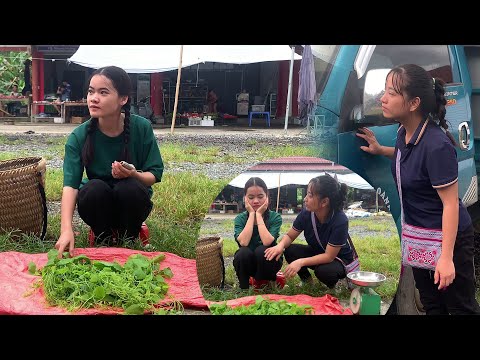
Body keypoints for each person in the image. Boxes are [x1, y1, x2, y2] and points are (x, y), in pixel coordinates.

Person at [356, 64, 480, 315]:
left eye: (391, 93)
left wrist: (446, 258)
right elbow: (409, 157)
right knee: (432, 304)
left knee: (460, 307)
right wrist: (381, 150)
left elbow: (449, 204)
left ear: (413, 103)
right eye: (384, 91)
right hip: (421, 238)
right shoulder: (405, 133)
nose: (383, 98)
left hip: (448, 240)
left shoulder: (437, 146)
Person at [55, 65, 164, 257]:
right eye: (91, 92)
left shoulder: (142, 127)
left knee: (129, 187)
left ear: (123, 99)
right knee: (93, 188)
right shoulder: (78, 136)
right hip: (98, 205)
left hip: (132, 204)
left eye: (103, 92)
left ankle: (128, 239)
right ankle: (102, 238)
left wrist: (133, 174)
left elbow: (154, 175)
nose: (94, 98)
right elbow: (70, 187)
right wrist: (66, 230)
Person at [265, 175, 354, 289]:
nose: (305, 198)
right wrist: (280, 246)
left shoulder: (340, 220)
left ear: (324, 202)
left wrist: (301, 262)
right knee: (290, 250)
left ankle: (331, 286)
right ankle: (307, 281)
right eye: (307, 193)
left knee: (323, 271)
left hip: (338, 260)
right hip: (318, 252)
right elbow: (290, 236)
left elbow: (329, 256)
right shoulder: (306, 214)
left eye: (310, 195)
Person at [233, 177, 283, 289]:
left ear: (267, 197)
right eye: (251, 197)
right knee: (242, 253)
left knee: (262, 250)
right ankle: (244, 288)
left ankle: (267, 284)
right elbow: (244, 243)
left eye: (260, 197)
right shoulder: (240, 219)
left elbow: (267, 241)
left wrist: (259, 215)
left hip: (269, 262)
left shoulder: (275, 217)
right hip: (249, 263)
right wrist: (251, 214)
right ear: (245, 199)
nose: (256, 201)